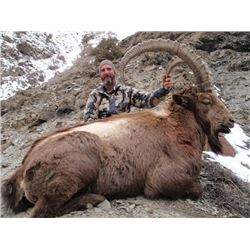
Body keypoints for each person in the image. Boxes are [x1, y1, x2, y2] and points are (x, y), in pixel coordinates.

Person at [83, 59, 173, 122]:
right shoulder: (95, 94)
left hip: (124, 135)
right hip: (104, 137)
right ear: (100, 75)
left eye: (109, 69)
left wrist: (164, 89)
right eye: (103, 70)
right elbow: (88, 120)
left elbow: (148, 101)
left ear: (114, 72)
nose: (106, 72)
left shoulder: (127, 91)